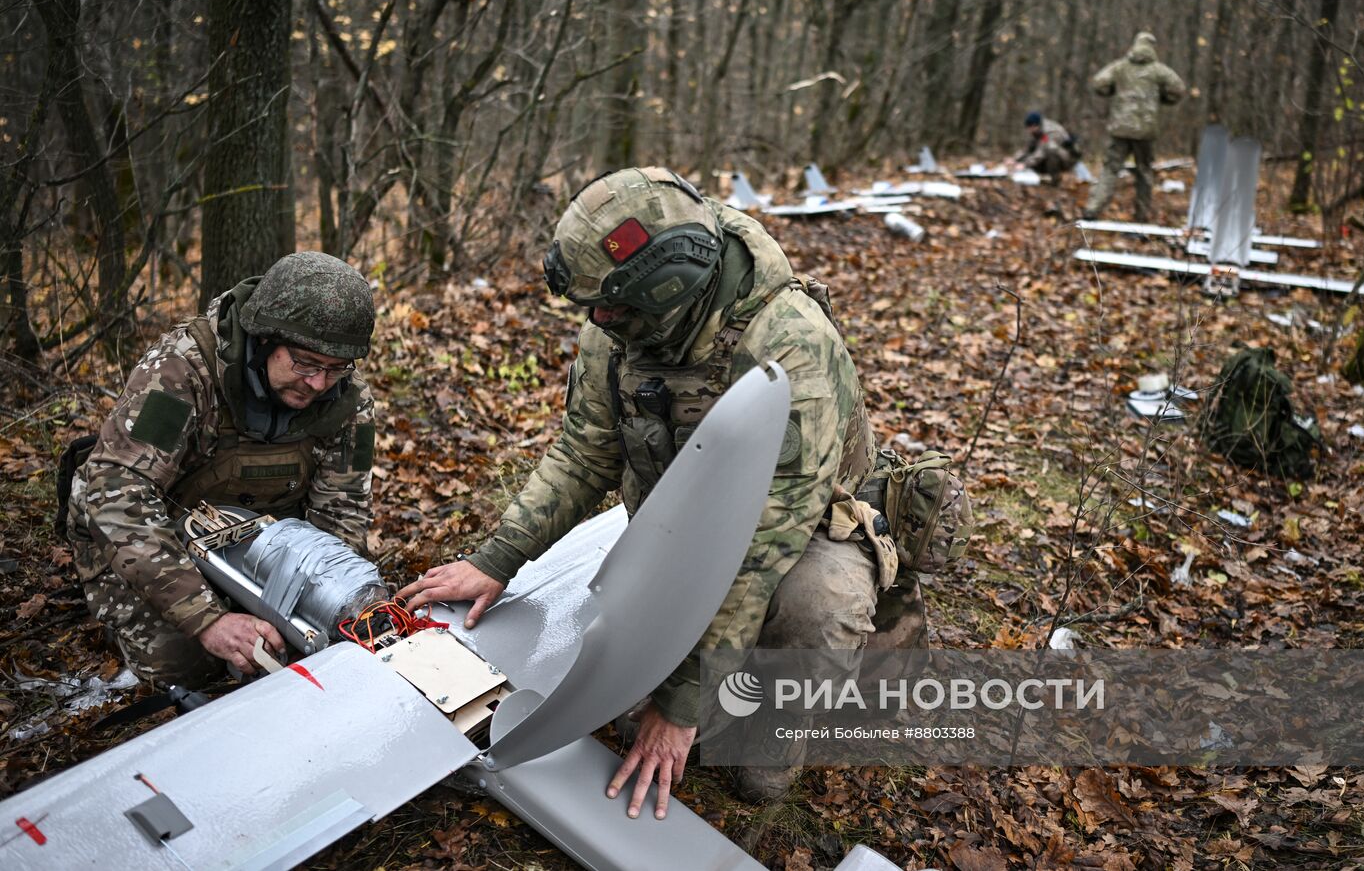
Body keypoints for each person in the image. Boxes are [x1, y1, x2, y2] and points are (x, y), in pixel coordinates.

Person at [398, 167, 883, 812]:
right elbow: (584, 449)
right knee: (625, 720)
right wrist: (497, 559)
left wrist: (680, 710)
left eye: (614, 307)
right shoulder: (620, 323)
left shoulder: (790, 349)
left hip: (798, 533)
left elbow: (755, 552)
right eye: (593, 306)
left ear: (668, 287)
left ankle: (773, 735)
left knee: (818, 604)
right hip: (676, 521)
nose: (597, 320)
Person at [64, 253, 378, 687]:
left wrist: (328, 601)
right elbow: (118, 493)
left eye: (335, 368)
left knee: (345, 630)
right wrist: (206, 618)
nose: (319, 383)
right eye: (305, 363)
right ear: (264, 339)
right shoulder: (182, 370)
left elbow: (341, 515)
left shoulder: (347, 399)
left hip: (262, 541)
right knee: (192, 666)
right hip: (158, 532)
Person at [1082, 31, 1186, 221]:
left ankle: (1092, 209)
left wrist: (1114, 91)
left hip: (1120, 128)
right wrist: (1162, 99)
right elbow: (1178, 89)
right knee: (1144, 171)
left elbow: (1099, 83)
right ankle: (1141, 215)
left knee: (1111, 169)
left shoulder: (1120, 67)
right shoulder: (1158, 71)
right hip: (1145, 131)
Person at [1014, 112, 1077, 184]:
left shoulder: (1051, 132)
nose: (1028, 131)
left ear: (1034, 126)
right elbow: (1027, 148)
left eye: (1029, 128)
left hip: (1067, 159)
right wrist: (1014, 159)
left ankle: (1056, 180)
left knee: (1051, 150)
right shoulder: (1037, 131)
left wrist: (1025, 164)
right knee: (1028, 156)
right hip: (1049, 155)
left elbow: (1040, 153)